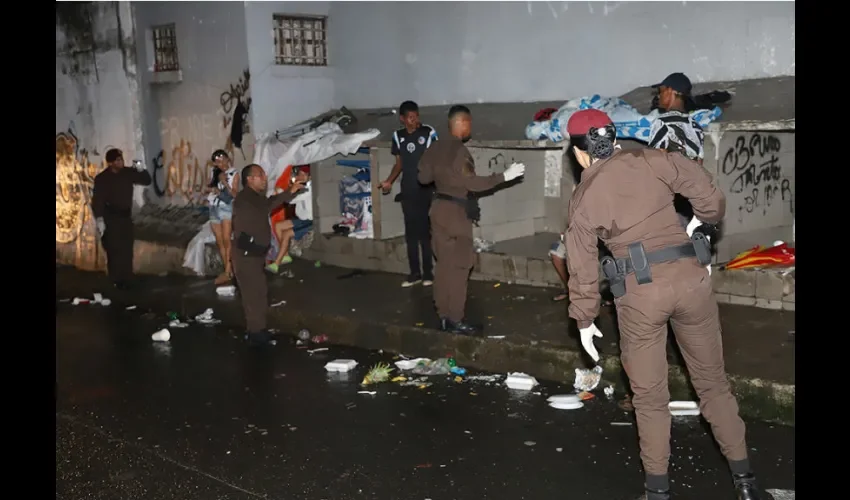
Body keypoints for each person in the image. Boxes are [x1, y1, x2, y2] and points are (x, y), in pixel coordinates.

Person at [563, 109, 765, 500]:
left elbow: (582, 266)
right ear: (613, 137)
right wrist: (700, 223)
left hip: (641, 294)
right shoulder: (650, 158)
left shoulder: (584, 198)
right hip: (691, 279)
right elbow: (711, 199)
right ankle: (746, 484)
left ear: (579, 152)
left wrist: (584, 317)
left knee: (651, 399)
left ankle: (657, 493)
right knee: (713, 385)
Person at [418, 105, 526, 335]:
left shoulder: (434, 147)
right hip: (456, 214)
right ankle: (456, 319)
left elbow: (423, 177)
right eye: (469, 123)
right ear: (462, 123)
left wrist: (444, 177)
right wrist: (504, 176)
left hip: (437, 210)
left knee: (444, 266)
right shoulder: (460, 151)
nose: (471, 127)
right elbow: (472, 183)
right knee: (460, 267)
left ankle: (443, 316)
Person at [231, 164, 305, 345]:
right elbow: (268, 205)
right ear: (249, 179)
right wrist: (289, 191)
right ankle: (256, 333)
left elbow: (268, 204)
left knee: (257, 292)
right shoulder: (246, 199)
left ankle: (256, 330)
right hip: (246, 255)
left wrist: (290, 191)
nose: (264, 179)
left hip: (253, 254)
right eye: (260, 176)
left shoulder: (253, 198)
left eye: (264, 175)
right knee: (253, 294)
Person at [379, 100, 439, 288]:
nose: (414, 121)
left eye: (416, 117)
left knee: (425, 232)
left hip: (426, 189)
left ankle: (429, 273)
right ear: (402, 119)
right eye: (410, 118)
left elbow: (436, 159)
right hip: (408, 190)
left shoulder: (428, 133)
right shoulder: (398, 136)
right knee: (411, 233)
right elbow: (399, 164)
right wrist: (389, 181)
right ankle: (414, 273)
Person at [648, 73, 707, 229]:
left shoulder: (661, 123)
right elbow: (699, 165)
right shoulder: (696, 127)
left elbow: (656, 163)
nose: (659, 96)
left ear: (671, 91)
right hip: (689, 203)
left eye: (661, 91)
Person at [91, 148, 152, 289]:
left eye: (121, 159)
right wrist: (99, 218)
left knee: (126, 248)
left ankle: (127, 276)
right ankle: (116, 279)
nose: (121, 162)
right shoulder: (102, 179)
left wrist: (141, 170)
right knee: (114, 249)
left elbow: (146, 180)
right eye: (118, 160)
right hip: (111, 217)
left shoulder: (127, 173)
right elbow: (98, 200)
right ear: (111, 163)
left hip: (125, 216)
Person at [267, 166, 313, 273]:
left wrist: (281, 192)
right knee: (278, 226)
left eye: (304, 175)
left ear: (309, 177)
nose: (300, 177)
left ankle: (276, 263)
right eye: (299, 174)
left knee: (286, 234)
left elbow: (291, 200)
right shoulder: (301, 187)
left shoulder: (308, 189)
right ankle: (285, 255)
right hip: (301, 219)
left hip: (309, 221)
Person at [208, 149, 240, 285]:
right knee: (219, 241)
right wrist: (213, 189)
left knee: (227, 240)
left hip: (226, 208)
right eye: (217, 162)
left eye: (222, 160)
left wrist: (225, 183)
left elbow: (234, 194)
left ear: (227, 158)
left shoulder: (235, 173)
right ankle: (228, 270)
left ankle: (227, 272)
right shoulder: (216, 173)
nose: (220, 164)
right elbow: (209, 187)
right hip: (213, 206)